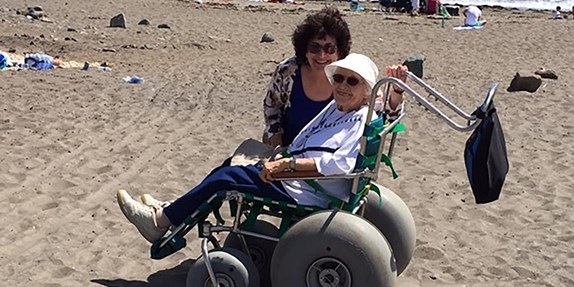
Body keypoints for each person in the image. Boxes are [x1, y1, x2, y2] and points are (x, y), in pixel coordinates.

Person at [117, 54, 409, 243]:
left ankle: (159, 222)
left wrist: (285, 167)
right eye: (339, 78)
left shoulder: (362, 115)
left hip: (309, 188)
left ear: (368, 90)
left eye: (352, 80)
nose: (342, 85)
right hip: (298, 176)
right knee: (229, 165)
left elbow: (342, 165)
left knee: (225, 180)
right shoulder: (343, 107)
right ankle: (171, 212)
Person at [262, 7, 404, 148]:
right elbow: (272, 108)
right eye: (315, 48)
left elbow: (386, 121)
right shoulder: (288, 71)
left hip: (328, 158)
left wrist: (397, 91)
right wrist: (277, 147)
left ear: (340, 52)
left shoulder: (352, 74)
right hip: (286, 149)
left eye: (330, 49)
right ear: (304, 50)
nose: (322, 55)